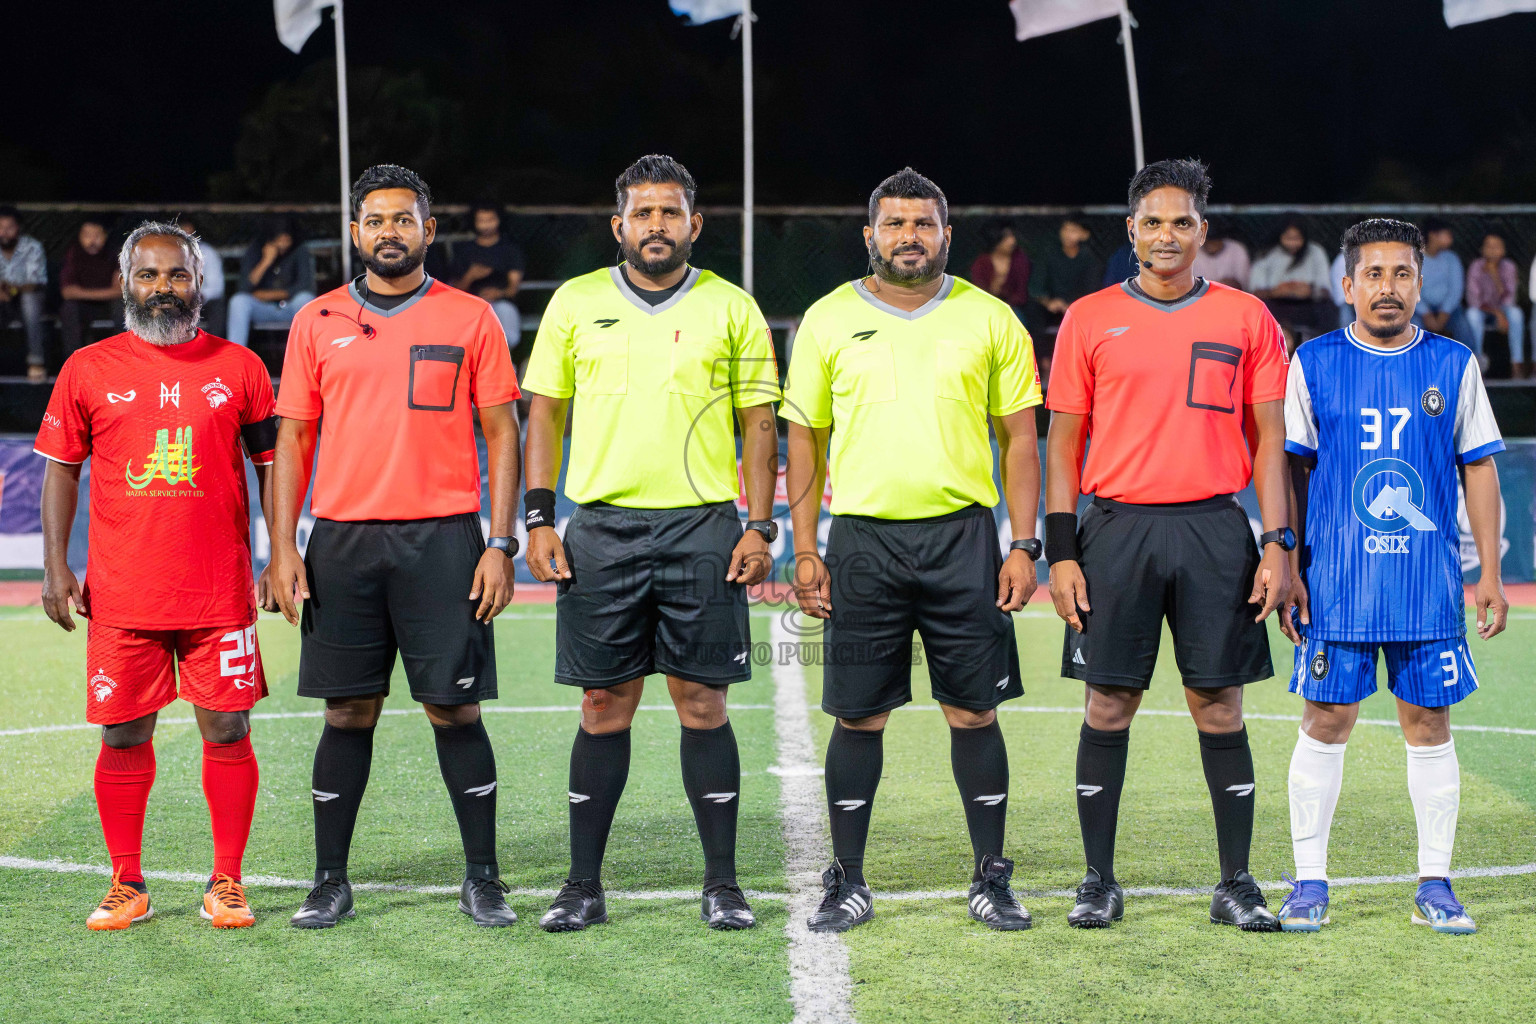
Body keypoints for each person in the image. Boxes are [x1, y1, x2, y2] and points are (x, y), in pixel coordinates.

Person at [522, 155, 780, 933]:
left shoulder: (732, 307)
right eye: (643, 213)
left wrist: (760, 525)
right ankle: (582, 886)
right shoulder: (575, 302)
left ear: (694, 224)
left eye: (671, 213)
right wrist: (539, 518)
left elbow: (759, 423)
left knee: (702, 702)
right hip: (601, 529)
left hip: (703, 527)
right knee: (603, 704)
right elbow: (545, 414)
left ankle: (722, 884)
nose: (657, 226)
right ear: (619, 225)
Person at [782, 167, 1044, 934]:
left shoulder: (991, 318)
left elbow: (1019, 440)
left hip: (963, 536)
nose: (909, 237)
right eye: (894, 224)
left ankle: (990, 876)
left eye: (923, 224)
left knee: (974, 710)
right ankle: (848, 878)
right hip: (864, 539)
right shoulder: (828, 319)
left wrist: (1022, 543)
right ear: (870, 234)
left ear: (946, 235)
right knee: (859, 716)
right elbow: (805, 441)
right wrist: (806, 548)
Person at [268, 165, 522, 929]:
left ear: (428, 230)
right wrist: (282, 547)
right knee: (347, 711)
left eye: (403, 219)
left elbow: (502, 432)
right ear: (355, 233)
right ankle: (329, 881)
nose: (389, 232)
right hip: (341, 541)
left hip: (444, 539)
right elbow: (293, 438)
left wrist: (500, 542)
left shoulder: (472, 317)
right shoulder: (316, 319)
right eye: (375, 220)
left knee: (454, 708)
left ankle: (483, 878)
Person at [1045, 158, 1291, 932]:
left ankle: (1236, 883)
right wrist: (1060, 551)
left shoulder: (1248, 317)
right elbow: (1062, 444)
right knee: (1108, 702)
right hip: (1115, 529)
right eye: (1152, 222)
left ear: (1202, 232)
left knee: (1219, 706)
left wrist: (1278, 542)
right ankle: (1097, 881)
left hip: (1216, 527)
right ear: (1131, 230)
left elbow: (1271, 440)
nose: (1166, 235)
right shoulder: (1088, 318)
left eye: (1182, 222)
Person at [35, 221, 277, 930]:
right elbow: (61, 471)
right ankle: (126, 882)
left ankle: (227, 880)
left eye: (177, 275)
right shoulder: (88, 368)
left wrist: (281, 554)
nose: (163, 288)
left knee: (227, 728)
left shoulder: (241, 368)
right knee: (122, 734)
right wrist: (55, 564)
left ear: (199, 283)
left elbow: (272, 469)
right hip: (122, 591)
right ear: (125, 283)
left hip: (218, 590)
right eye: (148, 275)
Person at [1278, 219, 1506, 935]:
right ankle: (1309, 883)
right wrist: (1288, 562)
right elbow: (1291, 470)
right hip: (1337, 582)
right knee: (1325, 720)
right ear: (1348, 285)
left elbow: (1479, 467)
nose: (1388, 287)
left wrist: (1490, 572)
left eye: (1402, 273)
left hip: (1425, 584)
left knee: (1429, 723)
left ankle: (1434, 884)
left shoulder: (1454, 363)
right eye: (1373, 274)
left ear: (1419, 283)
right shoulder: (1313, 361)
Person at [226, 219, 316, 347]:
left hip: (291, 307)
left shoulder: (299, 250)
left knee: (305, 299)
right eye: (279, 239)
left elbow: (306, 286)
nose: (283, 244)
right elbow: (244, 287)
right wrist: (266, 261)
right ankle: (236, 355)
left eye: (287, 239)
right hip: (263, 308)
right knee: (238, 302)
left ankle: (308, 353)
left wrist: (268, 295)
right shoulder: (256, 249)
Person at [449, 201, 526, 345]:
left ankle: (502, 356)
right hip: (471, 305)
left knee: (508, 332)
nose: (486, 225)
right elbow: (454, 291)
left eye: (490, 220)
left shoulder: (510, 250)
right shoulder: (465, 251)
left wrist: (498, 294)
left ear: (499, 220)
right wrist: (471, 276)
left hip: (501, 304)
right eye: (481, 221)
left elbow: (513, 289)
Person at [1250, 217, 1334, 347]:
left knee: (1326, 308)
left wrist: (1311, 291)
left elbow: (1326, 290)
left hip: (1306, 306)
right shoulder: (1267, 254)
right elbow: (1255, 292)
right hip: (1276, 306)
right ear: (1280, 236)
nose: (1293, 243)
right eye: (1288, 238)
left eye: (1297, 238)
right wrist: (1275, 292)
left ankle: (1324, 346)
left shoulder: (1316, 252)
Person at [1029, 212, 1102, 341]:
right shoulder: (1048, 253)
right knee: (1033, 311)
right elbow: (1036, 287)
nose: (1067, 234)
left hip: (1078, 307)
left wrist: (1070, 305)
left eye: (1073, 231)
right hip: (1050, 308)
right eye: (1065, 229)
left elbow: (1091, 290)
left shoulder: (1089, 258)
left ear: (1084, 235)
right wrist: (1049, 302)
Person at [1464, 232, 1525, 378]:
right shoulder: (1476, 266)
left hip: (1503, 310)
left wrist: (1494, 274)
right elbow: (1474, 300)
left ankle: (1516, 365)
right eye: (1489, 246)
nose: (1492, 250)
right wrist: (1497, 314)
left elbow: (1509, 299)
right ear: (1482, 249)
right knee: (1472, 315)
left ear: (1503, 250)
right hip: (1483, 311)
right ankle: (1478, 365)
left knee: (1516, 314)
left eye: (1497, 246)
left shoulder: (1509, 266)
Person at [59, 219, 123, 356]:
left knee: (123, 307)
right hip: (83, 305)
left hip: (109, 304)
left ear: (105, 236)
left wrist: (82, 292)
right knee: (69, 308)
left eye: (97, 236)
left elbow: (120, 291)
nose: (92, 241)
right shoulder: (73, 254)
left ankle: (123, 357)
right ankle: (73, 359)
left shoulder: (115, 253)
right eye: (87, 235)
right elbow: (67, 292)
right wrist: (103, 293)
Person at [0, 205, 49, 380]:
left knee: (30, 300)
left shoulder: (32, 247)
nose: (4, 232)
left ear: (18, 228)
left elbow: (35, 283)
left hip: (26, 301)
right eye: (0, 227)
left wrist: (11, 289)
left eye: (9, 227)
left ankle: (36, 361)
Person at [1416, 219, 1466, 342]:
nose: (1451, 238)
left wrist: (1444, 312)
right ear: (1433, 235)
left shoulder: (1452, 258)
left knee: (1463, 326)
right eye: (1447, 234)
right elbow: (1409, 289)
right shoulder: (1414, 258)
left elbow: (1456, 290)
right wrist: (1425, 313)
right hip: (1418, 308)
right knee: (1413, 328)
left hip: (1449, 310)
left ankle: (1473, 354)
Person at [969, 220, 1031, 317]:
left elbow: (1021, 295)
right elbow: (980, 293)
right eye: (1006, 237)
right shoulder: (982, 263)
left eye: (1012, 236)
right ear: (995, 240)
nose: (1012, 241)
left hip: (1014, 309)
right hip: (986, 308)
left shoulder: (1020, 259)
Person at [178, 216, 226, 338]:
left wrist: (200, 296)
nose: (187, 238)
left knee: (218, 306)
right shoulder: (167, 253)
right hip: (176, 299)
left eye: (190, 234)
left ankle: (215, 345)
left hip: (202, 301)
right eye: (182, 235)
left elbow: (217, 287)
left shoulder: (208, 252)